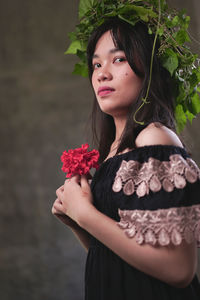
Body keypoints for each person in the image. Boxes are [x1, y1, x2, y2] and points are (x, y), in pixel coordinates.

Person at [52, 12, 200, 300]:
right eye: (96, 63)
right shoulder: (113, 152)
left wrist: (86, 214)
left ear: (150, 68)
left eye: (118, 59)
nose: (102, 73)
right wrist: (77, 221)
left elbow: (179, 270)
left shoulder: (154, 137)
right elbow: (119, 260)